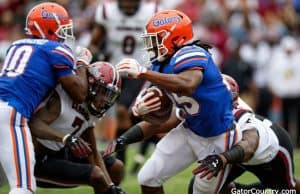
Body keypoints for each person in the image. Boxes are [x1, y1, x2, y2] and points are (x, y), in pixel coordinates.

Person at [116, 10, 236, 194]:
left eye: (155, 39)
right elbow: (163, 109)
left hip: (218, 137)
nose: (151, 46)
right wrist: (146, 106)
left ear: (175, 38)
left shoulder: (192, 52)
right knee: (148, 177)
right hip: (189, 129)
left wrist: (143, 72)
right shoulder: (160, 63)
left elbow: (188, 85)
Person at [0, 2, 90, 194]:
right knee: (24, 186)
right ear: (49, 27)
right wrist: (82, 63)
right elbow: (80, 94)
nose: (65, 34)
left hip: (4, 107)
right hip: (11, 114)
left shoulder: (16, 45)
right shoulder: (56, 51)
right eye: (62, 28)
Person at [188, 75, 300, 194]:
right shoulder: (207, 110)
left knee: (287, 190)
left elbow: (250, 145)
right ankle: (253, 191)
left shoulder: (240, 116)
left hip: (269, 152)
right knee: (203, 186)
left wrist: (222, 158)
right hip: (234, 154)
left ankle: (263, 191)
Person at [29, 61, 127, 194]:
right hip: (37, 160)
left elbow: (92, 152)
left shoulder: (91, 109)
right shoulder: (64, 96)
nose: (105, 99)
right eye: (103, 91)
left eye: (110, 95)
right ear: (91, 83)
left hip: (60, 154)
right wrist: (65, 138)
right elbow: (34, 124)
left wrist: (110, 186)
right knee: (97, 175)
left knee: (116, 167)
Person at [89, 0, 159, 164]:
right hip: (116, 70)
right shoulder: (107, 12)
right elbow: (94, 42)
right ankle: (124, 157)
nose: (128, 4)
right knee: (120, 114)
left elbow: (159, 39)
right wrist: (93, 55)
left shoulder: (151, 11)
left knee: (125, 112)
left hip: (139, 70)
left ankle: (124, 157)